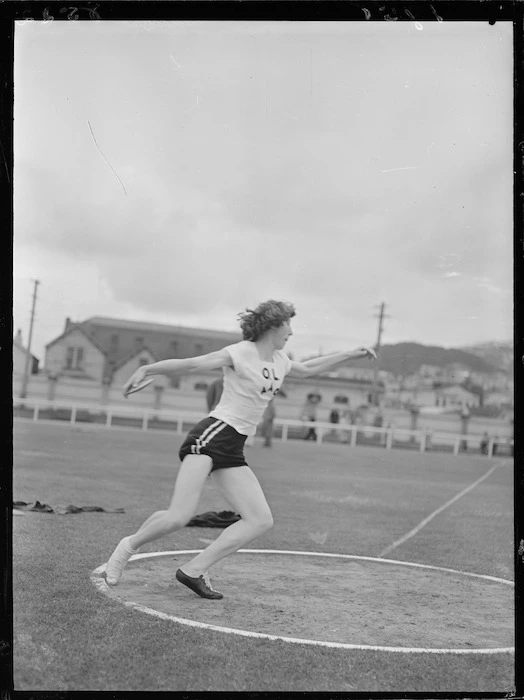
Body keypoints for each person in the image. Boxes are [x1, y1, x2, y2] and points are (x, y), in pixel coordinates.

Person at [104, 299, 376, 599]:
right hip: (211, 436)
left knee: (259, 519)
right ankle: (125, 548)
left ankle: (194, 570)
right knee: (178, 516)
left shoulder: (280, 360)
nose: (291, 332)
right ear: (274, 325)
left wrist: (351, 354)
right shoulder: (240, 352)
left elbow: (308, 368)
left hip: (233, 446)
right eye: (288, 325)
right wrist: (148, 367)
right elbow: (193, 364)